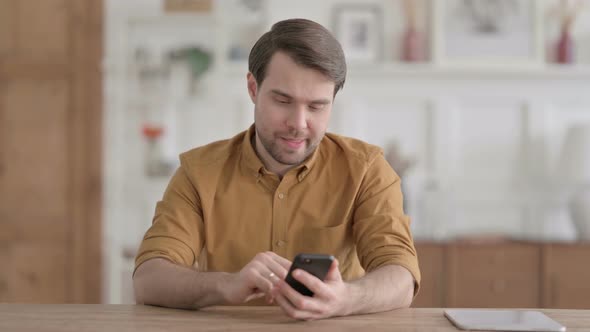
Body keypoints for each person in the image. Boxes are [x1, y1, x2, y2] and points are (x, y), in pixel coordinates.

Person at [133, 18, 421, 320]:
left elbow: (401, 276)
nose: (298, 123)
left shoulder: (367, 170)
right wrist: (227, 285)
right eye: (283, 100)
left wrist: (346, 298)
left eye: (316, 106)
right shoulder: (199, 173)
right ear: (253, 88)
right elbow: (148, 279)